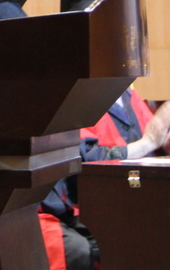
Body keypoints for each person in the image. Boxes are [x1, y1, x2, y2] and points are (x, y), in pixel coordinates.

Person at [39, 87, 170, 270]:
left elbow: (154, 141)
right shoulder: (80, 98)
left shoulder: (128, 94)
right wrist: (147, 143)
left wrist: (163, 144)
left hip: (138, 196)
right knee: (89, 247)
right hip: (93, 200)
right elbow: (85, 157)